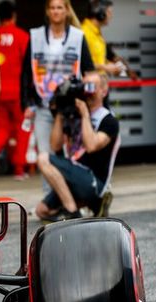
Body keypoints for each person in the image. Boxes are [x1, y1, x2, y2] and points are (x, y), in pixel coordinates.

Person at [21, 0, 95, 188]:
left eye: (60, 7)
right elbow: (25, 73)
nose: (56, 11)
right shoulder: (35, 36)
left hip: (70, 108)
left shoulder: (78, 37)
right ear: (47, 11)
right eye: (52, 8)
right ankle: (50, 199)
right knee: (45, 155)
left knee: (71, 155)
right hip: (43, 105)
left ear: (67, 11)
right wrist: (27, 103)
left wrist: (89, 101)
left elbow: (89, 71)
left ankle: (71, 198)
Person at [35, 72, 118, 222]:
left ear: (104, 92)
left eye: (92, 87)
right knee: (42, 211)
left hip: (93, 182)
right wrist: (61, 109)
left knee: (43, 158)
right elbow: (55, 145)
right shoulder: (74, 114)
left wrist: (85, 115)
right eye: (84, 86)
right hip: (74, 176)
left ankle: (72, 211)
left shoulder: (108, 120)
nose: (87, 91)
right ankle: (90, 206)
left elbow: (91, 145)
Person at [0, 0, 29, 179]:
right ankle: (18, 169)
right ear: (13, 15)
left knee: (2, 127)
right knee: (22, 129)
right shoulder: (21, 36)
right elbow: (28, 67)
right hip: (18, 92)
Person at [81, 0, 139, 79]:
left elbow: (112, 57)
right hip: (90, 84)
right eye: (109, 12)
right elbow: (81, 63)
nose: (111, 16)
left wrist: (127, 71)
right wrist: (105, 67)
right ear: (101, 14)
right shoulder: (84, 33)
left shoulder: (97, 34)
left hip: (100, 84)